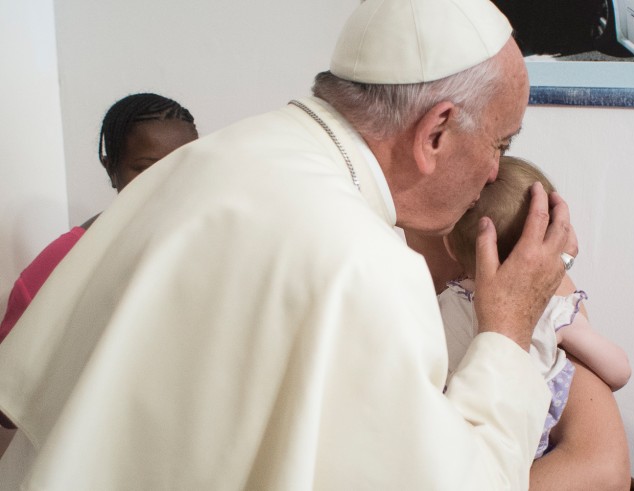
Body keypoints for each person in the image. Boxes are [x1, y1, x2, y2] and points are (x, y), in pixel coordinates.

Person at [0, 1, 579, 489]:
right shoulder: (364, 262)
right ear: (435, 131)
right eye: (501, 143)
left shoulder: (220, 153)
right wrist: (508, 330)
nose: (492, 173)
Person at [440, 156, 631, 456]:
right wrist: (564, 264)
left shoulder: (442, 305)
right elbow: (620, 371)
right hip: (524, 455)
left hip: (454, 446)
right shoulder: (551, 312)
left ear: (449, 246)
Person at [0, 93, 198, 344]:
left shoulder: (215, 241)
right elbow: (13, 366)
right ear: (110, 166)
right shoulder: (65, 260)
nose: (168, 180)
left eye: (184, 164)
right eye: (146, 168)